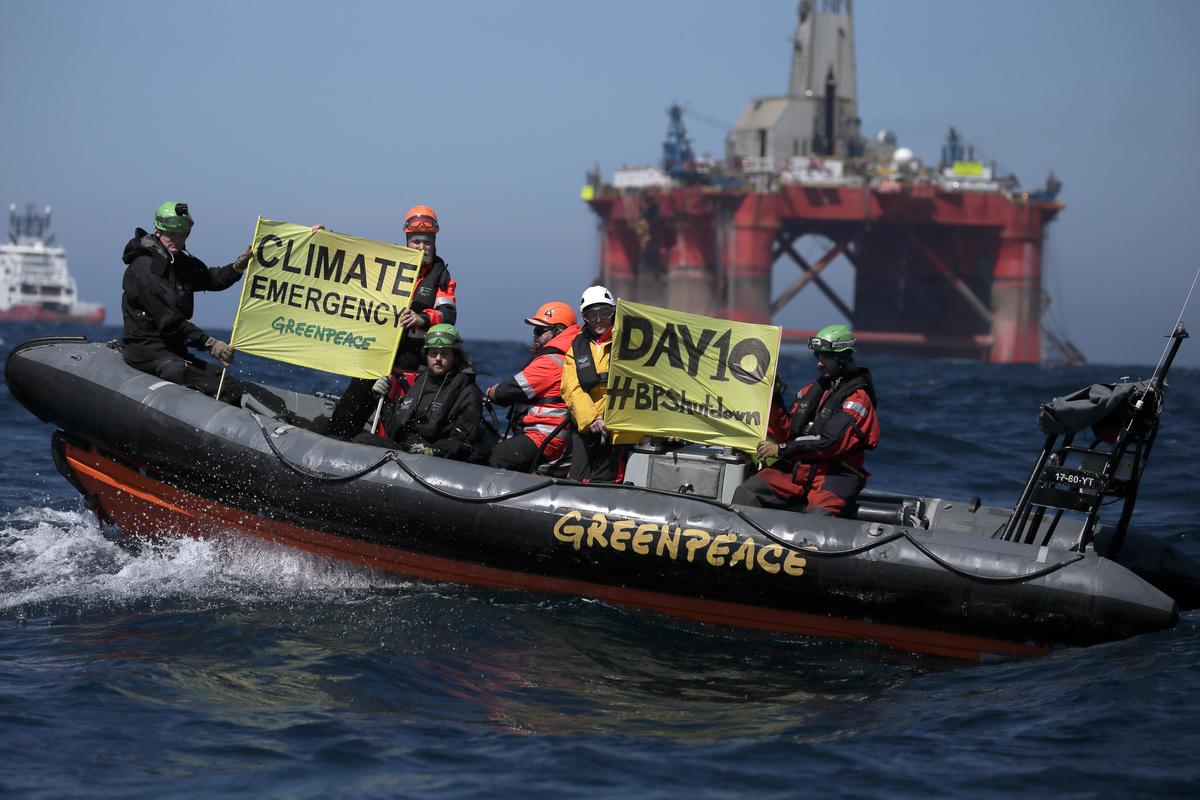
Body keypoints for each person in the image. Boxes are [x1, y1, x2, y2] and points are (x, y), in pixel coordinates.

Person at [327, 204, 458, 438]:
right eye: (416, 241)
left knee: (396, 431)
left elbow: (448, 314)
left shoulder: (441, 277)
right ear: (407, 240)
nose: (421, 247)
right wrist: (323, 239)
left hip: (409, 369)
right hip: (375, 360)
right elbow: (347, 263)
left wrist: (423, 317)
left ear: (434, 242)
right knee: (345, 418)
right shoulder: (388, 262)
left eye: (427, 241)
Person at [732, 324, 880, 516]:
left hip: (836, 473)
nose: (819, 362)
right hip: (799, 468)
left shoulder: (857, 399)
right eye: (817, 356)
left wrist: (782, 450)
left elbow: (829, 443)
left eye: (825, 356)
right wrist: (775, 398)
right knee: (747, 492)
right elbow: (786, 434)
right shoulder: (810, 392)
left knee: (818, 515)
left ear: (842, 357)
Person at [120, 201, 252, 402]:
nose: (177, 239)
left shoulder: (179, 262)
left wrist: (236, 267)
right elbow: (169, 321)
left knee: (229, 385)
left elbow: (209, 278)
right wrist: (211, 345)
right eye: (171, 233)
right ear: (158, 231)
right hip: (148, 352)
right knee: (222, 388)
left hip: (174, 350)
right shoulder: (146, 267)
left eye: (182, 234)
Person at [355, 324, 481, 460]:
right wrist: (383, 399)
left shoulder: (469, 393)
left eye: (444, 353)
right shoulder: (419, 384)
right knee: (362, 440)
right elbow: (394, 432)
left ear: (455, 357)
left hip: (436, 461)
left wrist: (433, 451)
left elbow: (463, 443)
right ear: (426, 356)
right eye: (433, 353)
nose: (438, 358)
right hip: (405, 452)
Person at [485, 302, 580, 471]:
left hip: (543, 436)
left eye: (540, 330)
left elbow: (508, 392)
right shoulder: (567, 357)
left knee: (498, 456)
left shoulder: (550, 362)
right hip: (554, 437)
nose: (534, 335)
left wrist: (491, 392)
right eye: (534, 330)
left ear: (559, 331)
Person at [560, 286, 639, 482]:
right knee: (576, 478)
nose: (598, 320)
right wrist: (592, 419)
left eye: (604, 313)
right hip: (587, 424)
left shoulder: (634, 343)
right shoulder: (576, 349)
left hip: (621, 428)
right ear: (584, 317)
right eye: (591, 315)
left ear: (613, 312)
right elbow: (572, 388)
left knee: (607, 479)